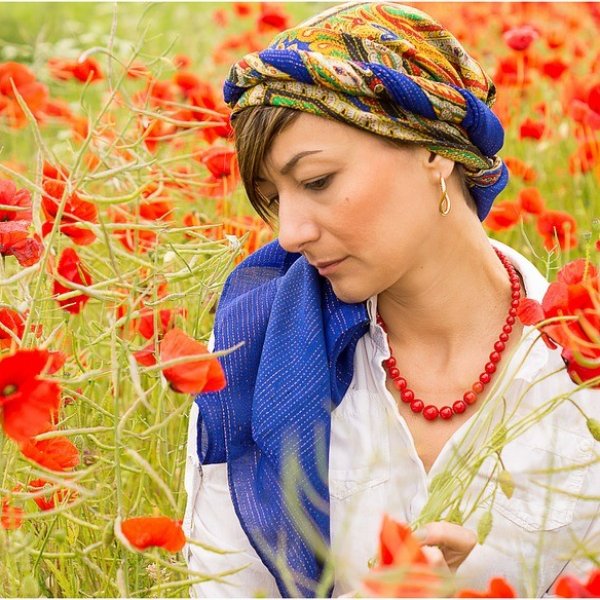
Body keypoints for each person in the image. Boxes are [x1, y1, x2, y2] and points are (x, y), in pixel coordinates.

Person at [182, 2, 599, 597]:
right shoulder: (251, 359)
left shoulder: (578, 366)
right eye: (274, 197)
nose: (290, 234)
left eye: (318, 180)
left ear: (433, 150)